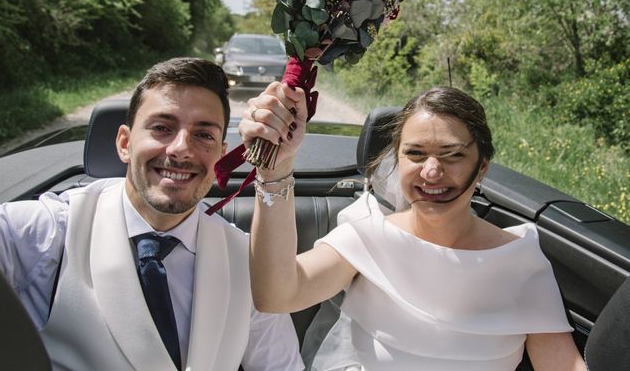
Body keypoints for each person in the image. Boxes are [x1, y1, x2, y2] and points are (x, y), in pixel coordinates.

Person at [239, 83, 587, 371]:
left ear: (481, 167)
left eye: (452, 155)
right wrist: (275, 171)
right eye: (416, 154)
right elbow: (276, 295)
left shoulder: (520, 258)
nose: (432, 172)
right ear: (397, 159)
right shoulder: (368, 232)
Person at [0, 58, 304, 371]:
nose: (181, 148)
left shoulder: (249, 265)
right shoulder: (50, 230)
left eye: (203, 135)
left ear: (221, 155)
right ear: (124, 143)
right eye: (162, 128)